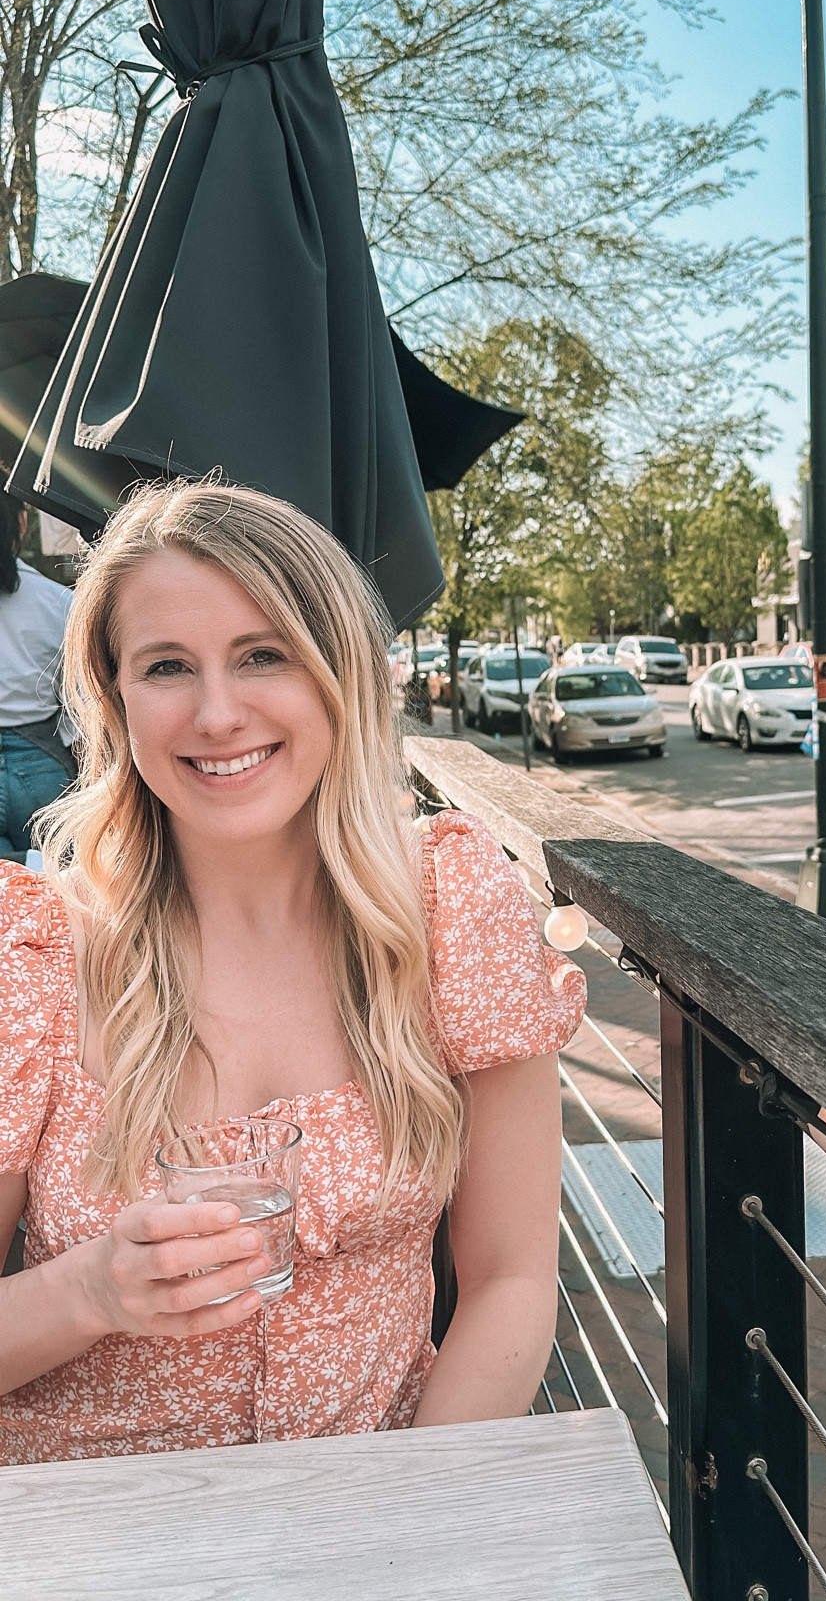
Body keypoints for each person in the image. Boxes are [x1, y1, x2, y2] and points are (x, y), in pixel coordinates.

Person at [0, 480, 586, 1464]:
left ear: (338, 676)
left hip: (381, 1511)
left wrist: (407, 1525)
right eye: (167, 667)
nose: (218, 712)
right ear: (115, 699)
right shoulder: (36, 954)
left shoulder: (449, 911)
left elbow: (509, 1280)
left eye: (262, 654)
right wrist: (90, 1289)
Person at [0, 494, 74, 860]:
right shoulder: (58, 601)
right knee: (59, 890)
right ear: (22, 523)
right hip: (42, 764)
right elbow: (79, 701)